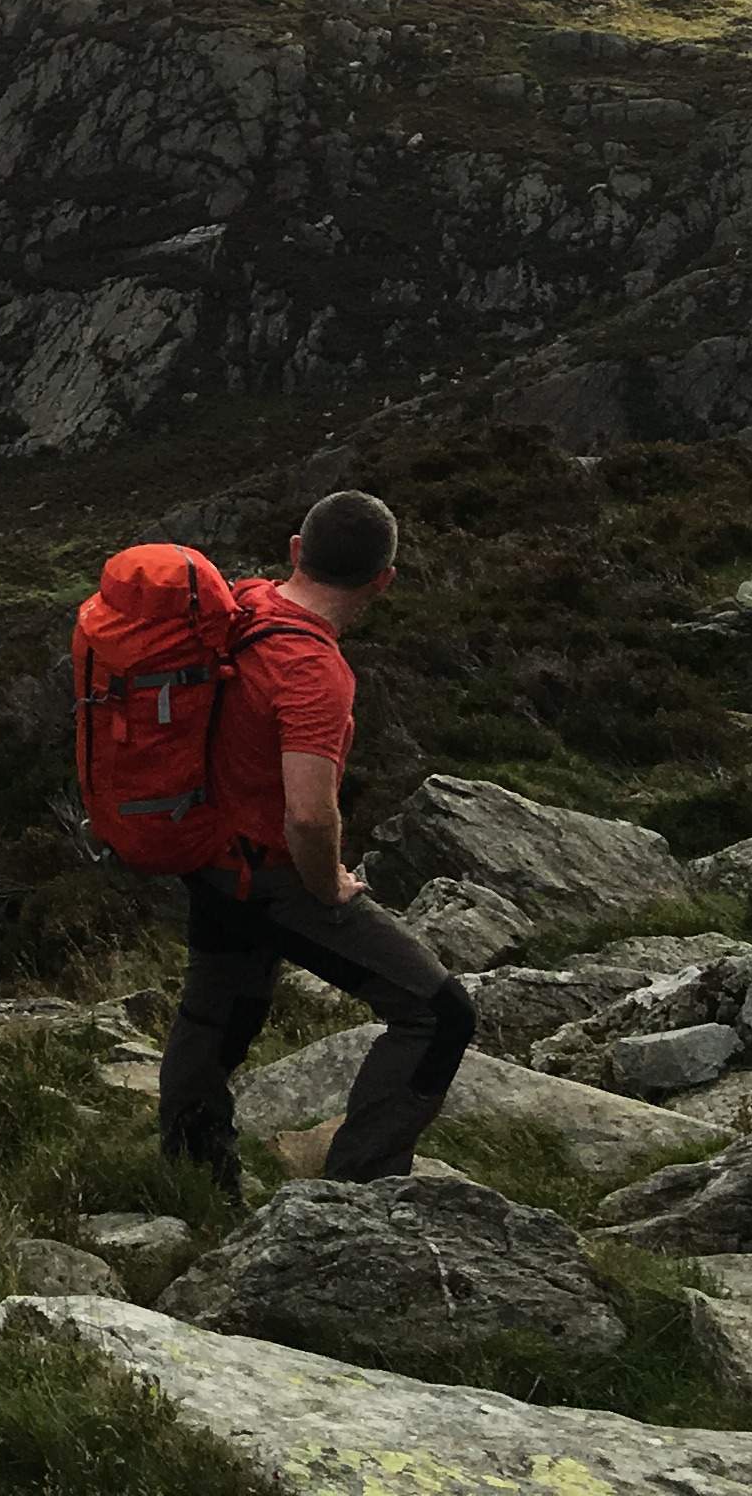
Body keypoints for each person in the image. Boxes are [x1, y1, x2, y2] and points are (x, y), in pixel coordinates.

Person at [155, 488, 476, 1195]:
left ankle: (191, 1178)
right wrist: (328, 883)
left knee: (215, 1014)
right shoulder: (312, 672)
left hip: (208, 857)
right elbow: (307, 815)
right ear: (383, 581)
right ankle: (361, 1188)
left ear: (297, 551)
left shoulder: (244, 606)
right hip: (269, 878)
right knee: (438, 1013)